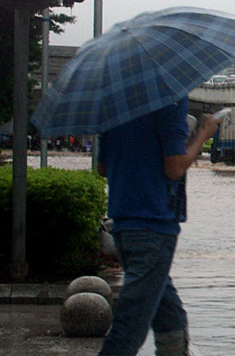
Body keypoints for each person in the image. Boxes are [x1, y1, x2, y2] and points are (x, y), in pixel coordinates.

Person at [96, 96, 218, 356]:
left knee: (169, 313)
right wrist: (202, 135)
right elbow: (174, 167)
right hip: (154, 224)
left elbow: (103, 167)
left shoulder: (114, 102)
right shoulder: (170, 101)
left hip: (122, 223)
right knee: (131, 325)